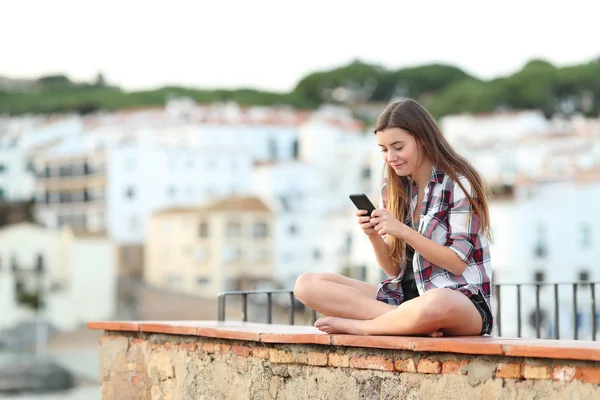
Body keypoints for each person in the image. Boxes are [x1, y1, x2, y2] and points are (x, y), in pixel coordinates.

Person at [293, 99, 493, 337]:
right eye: (384, 149)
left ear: (423, 139)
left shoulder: (459, 184)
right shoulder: (393, 188)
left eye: (398, 147)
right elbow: (394, 269)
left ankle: (366, 327)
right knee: (306, 285)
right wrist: (373, 235)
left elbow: (457, 263)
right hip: (403, 298)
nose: (390, 157)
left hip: (461, 301)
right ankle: (407, 322)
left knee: (436, 301)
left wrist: (403, 230)